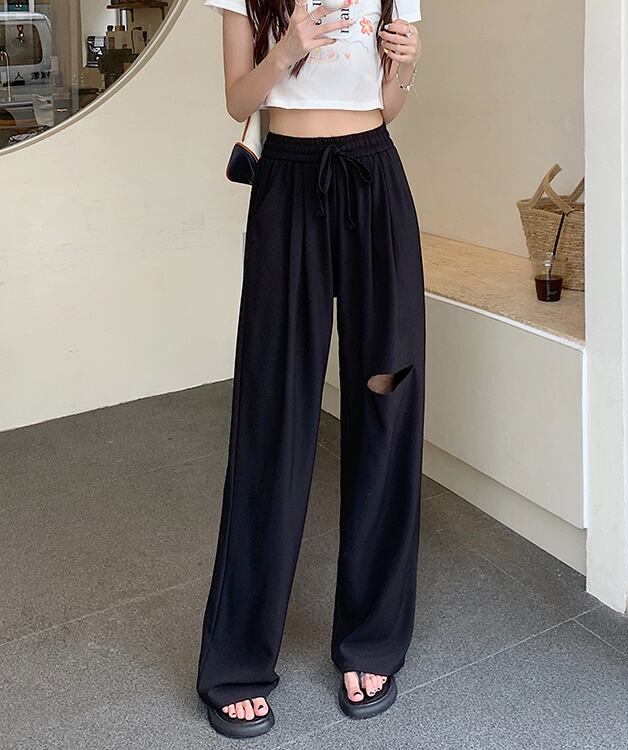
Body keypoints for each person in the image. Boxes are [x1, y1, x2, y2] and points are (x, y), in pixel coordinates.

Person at [196, 0, 425, 739]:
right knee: (274, 415)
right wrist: (286, 49)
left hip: (374, 179)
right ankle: (237, 660)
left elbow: (383, 108)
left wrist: (406, 71)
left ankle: (371, 640)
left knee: (386, 405)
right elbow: (239, 99)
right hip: (289, 185)